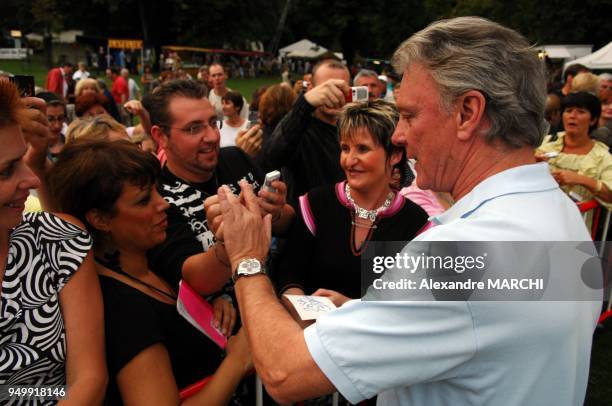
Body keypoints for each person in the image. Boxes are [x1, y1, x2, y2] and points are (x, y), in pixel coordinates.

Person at [215, 17, 601, 405]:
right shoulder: (561, 211)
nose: (398, 135)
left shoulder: (459, 251)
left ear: (468, 112)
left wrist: (248, 259)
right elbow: (491, 322)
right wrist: (366, 313)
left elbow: (284, 373)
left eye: (410, 114)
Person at [48, 139, 253, 405]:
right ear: (100, 219)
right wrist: (236, 362)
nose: (163, 203)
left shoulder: (147, 263)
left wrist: (211, 306)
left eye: (157, 191)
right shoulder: (122, 307)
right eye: (144, 200)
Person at [0, 76, 106, 403]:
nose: (29, 178)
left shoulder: (58, 241)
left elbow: (86, 381)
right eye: (6, 170)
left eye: (24, 160)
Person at [144, 79, 293, 296]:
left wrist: (275, 211)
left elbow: (289, 222)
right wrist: (228, 242)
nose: (213, 137)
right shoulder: (158, 198)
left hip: (275, 299)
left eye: (213, 123)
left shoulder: (236, 158)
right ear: (160, 136)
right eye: (194, 128)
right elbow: (196, 280)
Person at [277, 100, 428, 300]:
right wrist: (302, 310)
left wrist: (349, 308)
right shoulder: (315, 204)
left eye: (363, 149)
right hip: (307, 328)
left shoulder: (415, 223)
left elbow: (409, 303)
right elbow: (289, 275)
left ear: (395, 154)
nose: (349, 160)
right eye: (345, 148)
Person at [261, 59, 351, 204]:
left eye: (340, 88)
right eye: (326, 88)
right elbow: (272, 157)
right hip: (306, 219)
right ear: (312, 89)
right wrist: (305, 104)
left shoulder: (354, 130)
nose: (333, 95)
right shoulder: (299, 128)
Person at [536, 92, 612, 212]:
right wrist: (532, 161)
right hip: (541, 215)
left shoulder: (602, 156)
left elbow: (610, 196)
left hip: (578, 224)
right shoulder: (546, 143)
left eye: (581, 112)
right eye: (568, 110)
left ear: (593, 120)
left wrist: (580, 179)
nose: (572, 116)